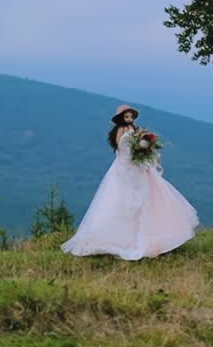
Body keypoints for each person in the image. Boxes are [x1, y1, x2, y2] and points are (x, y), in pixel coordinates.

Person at [61, 104, 199, 260]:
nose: (130, 119)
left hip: (135, 166)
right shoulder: (121, 131)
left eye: (131, 116)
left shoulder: (133, 130)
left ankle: (149, 235)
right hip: (124, 167)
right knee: (122, 201)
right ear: (121, 118)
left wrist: (143, 148)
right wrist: (137, 148)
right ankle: (118, 238)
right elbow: (122, 147)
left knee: (146, 199)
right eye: (127, 116)